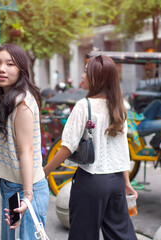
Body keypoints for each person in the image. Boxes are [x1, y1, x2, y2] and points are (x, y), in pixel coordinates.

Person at [44, 55, 138, 240]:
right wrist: (126, 183)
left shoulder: (83, 106)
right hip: (117, 181)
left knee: (83, 235)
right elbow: (121, 149)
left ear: (97, 78)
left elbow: (68, 147)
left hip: (91, 181)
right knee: (120, 234)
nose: (82, 75)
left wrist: (45, 171)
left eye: (86, 72)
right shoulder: (118, 107)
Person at [0, 43, 49, 240]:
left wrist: (27, 197)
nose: (1, 69)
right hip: (11, 185)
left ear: (21, 69)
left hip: (26, 188)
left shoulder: (22, 103)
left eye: (10, 64)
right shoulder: (5, 98)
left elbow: (26, 151)